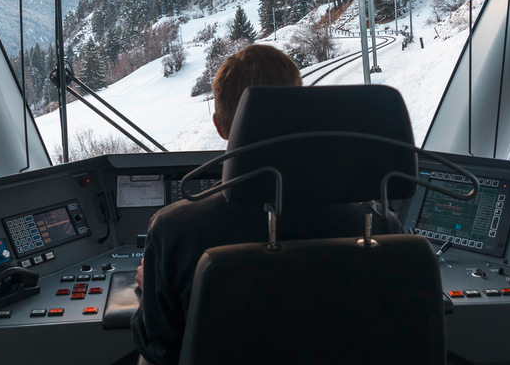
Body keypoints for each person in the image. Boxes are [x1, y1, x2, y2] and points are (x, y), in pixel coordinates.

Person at [130, 45, 381, 364]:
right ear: (303, 113)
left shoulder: (173, 230)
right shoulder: (378, 227)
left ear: (220, 126)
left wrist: (148, 285)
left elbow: (158, 345)